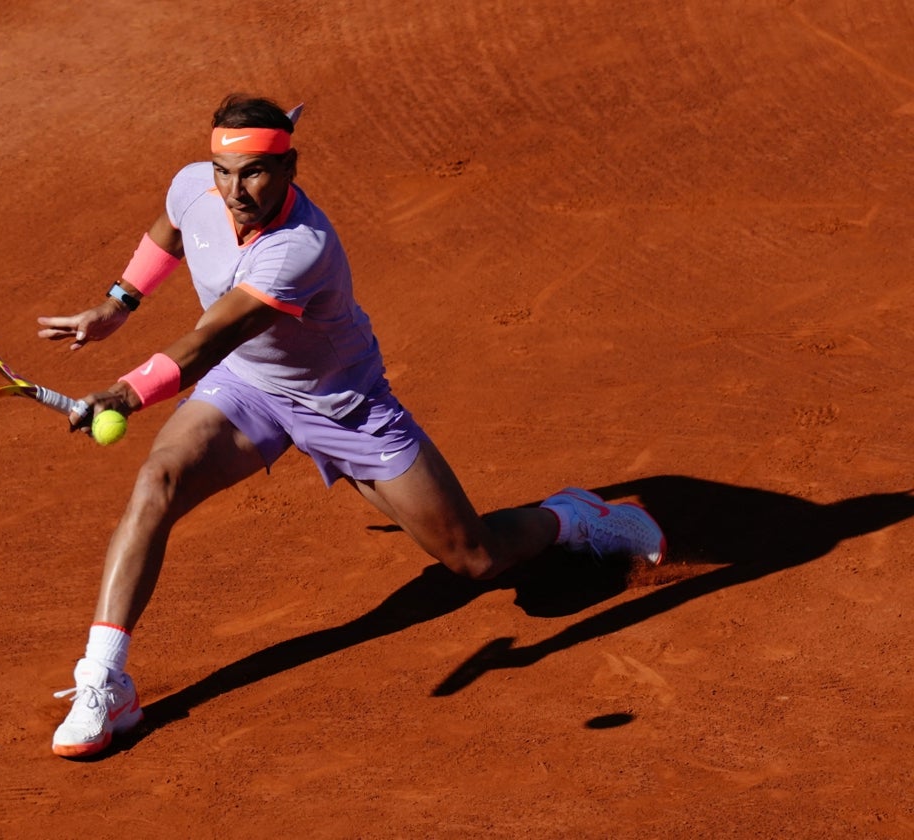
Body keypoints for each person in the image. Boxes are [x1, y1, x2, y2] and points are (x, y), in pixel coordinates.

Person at [36, 94, 666, 758]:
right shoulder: (197, 188)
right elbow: (171, 229)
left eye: (251, 172)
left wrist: (124, 394)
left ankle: (569, 519)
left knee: (473, 557)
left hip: (344, 405)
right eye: (223, 170)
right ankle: (105, 680)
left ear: (290, 167)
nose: (233, 190)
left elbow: (207, 341)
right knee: (156, 483)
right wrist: (118, 303)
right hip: (248, 389)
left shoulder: (301, 248)